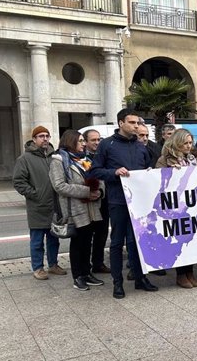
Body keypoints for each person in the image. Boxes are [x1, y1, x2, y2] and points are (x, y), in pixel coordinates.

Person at [89, 109, 157, 299]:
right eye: (132, 122)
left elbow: (146, 171)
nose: (136, 126)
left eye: (138, 123)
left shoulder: (141, 146)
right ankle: (117, 283)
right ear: (121, 123)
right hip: (118, 201)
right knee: (117, 242)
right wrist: (113, 173)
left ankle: (140, 278)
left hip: (139, 202)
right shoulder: (106, 145)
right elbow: (95, 171)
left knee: (137, 242)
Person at [49, 130, 105, 291]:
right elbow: (59, 186)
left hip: (91, 208)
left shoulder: (86, 159)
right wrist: (87, 192)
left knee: (88, 241)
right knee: (78, 243)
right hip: (75, 209)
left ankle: (87, 273)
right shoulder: (58, 161)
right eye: (80, 141)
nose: (83, 143)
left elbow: (98, 178)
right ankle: (78, 276)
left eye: (83, 141)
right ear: (70, 142)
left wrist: (100, 192)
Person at [13, 125, 67, 280]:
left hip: (54, 206)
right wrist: (35, 194)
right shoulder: (25, 159)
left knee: (53, 239)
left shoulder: (55, 157)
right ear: (34, 139)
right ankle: (38, 268)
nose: (45, 139)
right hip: (37, 206)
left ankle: (53, 265)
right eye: (41, 136)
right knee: (37, 241)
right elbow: (18, 181)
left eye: (47, 136)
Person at [156, 129, 197, 289]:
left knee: (191, 238)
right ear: (178, 143)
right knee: (179, 239)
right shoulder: (165, 159)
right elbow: (157, 180)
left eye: (191, 143)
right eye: (186, 143)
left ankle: (190, 272)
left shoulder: (192, 159)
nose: (189, 146)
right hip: (175, 207)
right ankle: (181, 274)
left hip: (191, 206)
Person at [83, 129, 111, 274]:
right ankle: (85, 265)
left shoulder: (104, 156)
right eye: (93, 140)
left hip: (104, 200)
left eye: (98, 139)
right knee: (87, 235)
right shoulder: (82, 159)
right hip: (89, 201)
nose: (97, 142)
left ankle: (98, 263)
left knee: (102, 233)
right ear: (86, 142)